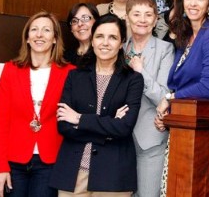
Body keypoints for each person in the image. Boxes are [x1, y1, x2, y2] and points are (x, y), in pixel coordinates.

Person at [50, 14, 144, 196]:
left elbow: (124, 127)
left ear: (122, 42)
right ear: (92, 41)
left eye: (113, 37)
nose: (105, 43)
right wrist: (109, 126)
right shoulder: (75, 76)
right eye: (100, 36)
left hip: (113, 175)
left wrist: (79, 119)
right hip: (73, 173)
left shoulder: (133, 80)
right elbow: (63, 125)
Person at [0, 11, 74, 197]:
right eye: (34, 30)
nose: (39, 34)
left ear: (54, 39)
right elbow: (0, 121)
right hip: (13, 162)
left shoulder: (70, 73)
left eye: (46, 30)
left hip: (51, 162)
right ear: (27, 38)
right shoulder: (11, 70)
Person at [124, 0, 174, 197]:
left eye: (147, 15)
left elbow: (163, 95)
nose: (142, 20)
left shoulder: (165, 49)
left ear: (155, 20)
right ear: (127, 17)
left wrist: (140, 72)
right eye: (136, 14)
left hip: (150, 136)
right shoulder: (120, 47)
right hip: (119, 138)